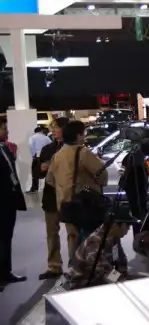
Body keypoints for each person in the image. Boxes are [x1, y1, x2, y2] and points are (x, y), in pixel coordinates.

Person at [46, 120, 109, 257]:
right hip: (85, 204)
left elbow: (50, 179)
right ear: (78, 135)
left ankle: (75, 264)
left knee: (73, 236)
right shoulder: (83, 152)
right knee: (90, 238)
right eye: (83, 133)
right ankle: (89, 265)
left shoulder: (57, 155)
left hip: (66, 204)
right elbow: (102, 174)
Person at [62, 207, 134, 290]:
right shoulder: (94, 242)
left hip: (99, 281)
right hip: (82, 286)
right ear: (115, 225)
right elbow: (105, 272)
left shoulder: (114, 237)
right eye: (127, 225)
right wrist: (125, 284)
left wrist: (124, 276)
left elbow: (121, 262)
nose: (129, 229)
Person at [38, 117, 70, 280]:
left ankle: (76, 265)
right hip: (51, 196)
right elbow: (37, 173)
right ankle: (54, 266)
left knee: (73, 233)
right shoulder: (47, 149)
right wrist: (42, 169)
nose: (53, 130)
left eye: (56, 127)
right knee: (51, 233)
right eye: (52, 127)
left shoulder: (74, 149)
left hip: (69, 197)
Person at [0, 118, 27, 292]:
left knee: (6, 238)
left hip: (8, 201)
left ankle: (5, 272)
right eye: (4, 129)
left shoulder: (4, 148)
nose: (7, 131)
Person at [28, 126, 51, 193]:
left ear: (35, 132)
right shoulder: (46, 138)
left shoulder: (32, 137)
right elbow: (51, 145)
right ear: (41, 131)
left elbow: (30, 146)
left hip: (37, 156)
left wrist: (33, 155)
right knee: (47, 172)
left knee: (34, 173)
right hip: (46, 157)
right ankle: (47, 187)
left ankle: (35, 188)